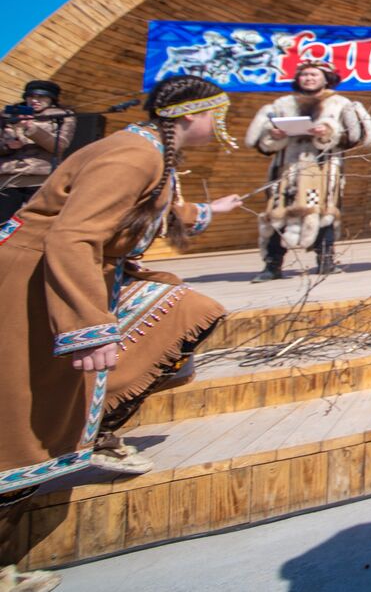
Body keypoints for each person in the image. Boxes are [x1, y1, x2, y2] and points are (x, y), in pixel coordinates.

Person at [1, 76, 241, 588]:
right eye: (216, 115)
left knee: (184, 308)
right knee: (25, 416)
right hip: (36, 280)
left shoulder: (157, 154)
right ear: (192, 115)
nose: (218, 125)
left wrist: (211, 211)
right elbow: (73, 235)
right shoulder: (132, 155)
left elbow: (165, 214)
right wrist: (88, 328)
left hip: (81, 276)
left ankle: (99, 423)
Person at [246, 60, 371, 280]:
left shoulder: (340, 104)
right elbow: (260, 141)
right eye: (305, 75)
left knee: (325, 214)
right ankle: (272, 264)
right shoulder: (282, 104)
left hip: (323, 171)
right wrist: (274, 134)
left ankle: (326, 260)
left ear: (326, 78)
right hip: (288, 171)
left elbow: (355, 137)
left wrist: (329, 132)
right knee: (278, 215)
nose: (309, 78)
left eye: (314, 75)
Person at [0, 80, 76, 222]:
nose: (35, 100)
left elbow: (59, 146)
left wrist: (30, 128)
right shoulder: (7, 115)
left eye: (41, 97)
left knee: (31, 225)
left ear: (51, 98)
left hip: (39, 180)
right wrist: (7, 146)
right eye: (31, 97)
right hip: (6, 181)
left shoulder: (63, 116)